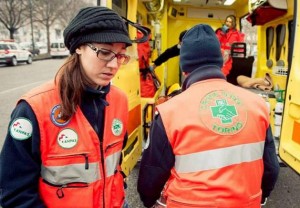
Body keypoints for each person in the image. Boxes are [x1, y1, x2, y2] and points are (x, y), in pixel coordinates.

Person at [0, 6, 132, 208]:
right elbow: (14, 193)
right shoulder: (34, 108)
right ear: (79, 47)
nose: (114, 65)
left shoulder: (120, 100)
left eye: (121, 55)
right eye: (105, 52)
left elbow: (113, 166)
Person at [137, 24, 279, 208]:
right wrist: (259, 197)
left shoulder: (169, 112)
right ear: (220, 62)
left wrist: (149, 201)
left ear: (184, 68)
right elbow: (271, 169)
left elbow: (151, 173)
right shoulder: (258, 105)